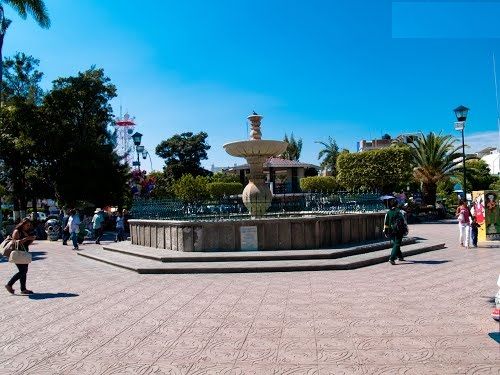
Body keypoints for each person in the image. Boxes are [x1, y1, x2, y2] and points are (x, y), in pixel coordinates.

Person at [5, 218, 36, 295]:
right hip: (17, 254)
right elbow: (14, 242)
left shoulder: (26, 232)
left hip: (24, 254)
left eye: (29, 225)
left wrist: (31, 239)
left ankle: (23, 289)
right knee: (23, 271)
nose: (28, 226)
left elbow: (26, 244)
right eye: (27, 225)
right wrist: (26, 238)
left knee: (24, 271)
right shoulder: (17, 231)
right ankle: (9, 284)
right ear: (22, 224)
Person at [384, 198, 407, 265]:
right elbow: (404, 222)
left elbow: (386, 223)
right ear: (397, 204)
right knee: (397, 244)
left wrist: (385, 232)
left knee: (396, 243)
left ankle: (400, 256)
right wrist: (406, 230)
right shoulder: (400, 211)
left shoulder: (388, 213)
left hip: (391, 231)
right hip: (399, 230)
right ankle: (392, 258)